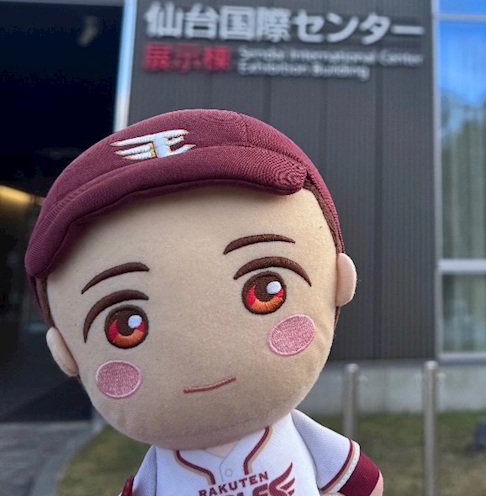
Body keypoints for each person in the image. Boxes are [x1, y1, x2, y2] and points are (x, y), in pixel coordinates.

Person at [24, 108, 383, 496]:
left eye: (264, 291)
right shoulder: (159, 472)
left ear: (338, 281)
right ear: (66, 354)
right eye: (127, 325)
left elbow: (362, 483)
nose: (203, 347)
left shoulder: (299, 435)